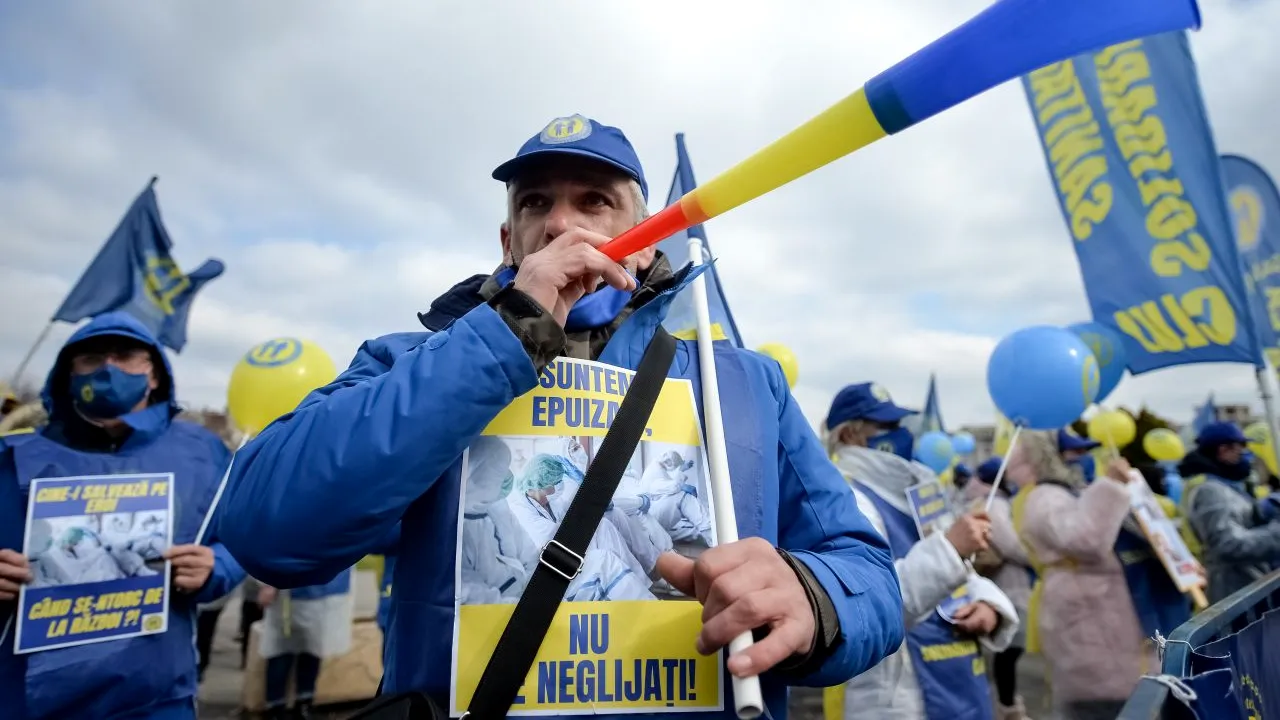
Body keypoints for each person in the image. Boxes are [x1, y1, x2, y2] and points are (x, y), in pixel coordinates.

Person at [216, 114, 905, 718]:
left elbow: (871, 577)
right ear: (508, 239)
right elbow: (266, 527)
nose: (560, 223)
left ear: (646, 238)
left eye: (595, 201)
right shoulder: (413, 366)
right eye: (535, 202)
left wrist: (815, 600)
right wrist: (503, 339)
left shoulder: (745, 385)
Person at [0, 311, 245, 719]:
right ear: (68, 373)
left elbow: (239, 542)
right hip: (29, 698)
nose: (109, 368)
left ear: (154, 374)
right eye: (91, 358)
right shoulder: (13, 459)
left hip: (155, 699)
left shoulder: (202, 454)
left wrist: (215, 567)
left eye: (126, 355)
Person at [822, 383, 1019, 720]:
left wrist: (989, 605)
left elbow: (962, 573)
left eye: (899, 425)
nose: (901, 434)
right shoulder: (844, 498)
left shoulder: (917, 491)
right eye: (886, 427)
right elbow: (868, 602)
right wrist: (950, 547)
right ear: (851, 435)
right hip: (898, 693)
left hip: (960, 676)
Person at [1007, 430, 1188, 720]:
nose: (1083, 460)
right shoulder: (1044, 497)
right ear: (1051, 458)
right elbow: (1085, 539)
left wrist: (1180, 563)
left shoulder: (1076, 492)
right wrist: (1110, 485)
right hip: (1093, 637)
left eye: (1085, 452)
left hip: (1121, 634)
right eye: (1074, 454)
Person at [1178, 421, 1280, 602]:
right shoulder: (1209, 490)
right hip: (1236, 592)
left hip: (1245, 588)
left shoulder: (1223, 485)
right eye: (1240, 447)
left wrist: (1261, 512)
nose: (1245, 453)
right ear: (1223, 450)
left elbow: (1237, 521)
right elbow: (1227, 544)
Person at [965, 457, 1033, 720]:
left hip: (993, 584)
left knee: (1002, 652)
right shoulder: (997, 503)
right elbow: (1010, 545)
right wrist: (1038, 558)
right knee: (1009, 649)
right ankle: (1008, 708)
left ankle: (1005, 702)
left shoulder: (980, 500)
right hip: (1007, 585)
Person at [257, 567, 355, 720]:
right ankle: (275, 707)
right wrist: (268, 583)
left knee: (314, 649)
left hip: (327, 592)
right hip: (289, 594)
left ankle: (304, 702)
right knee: (281, 652)